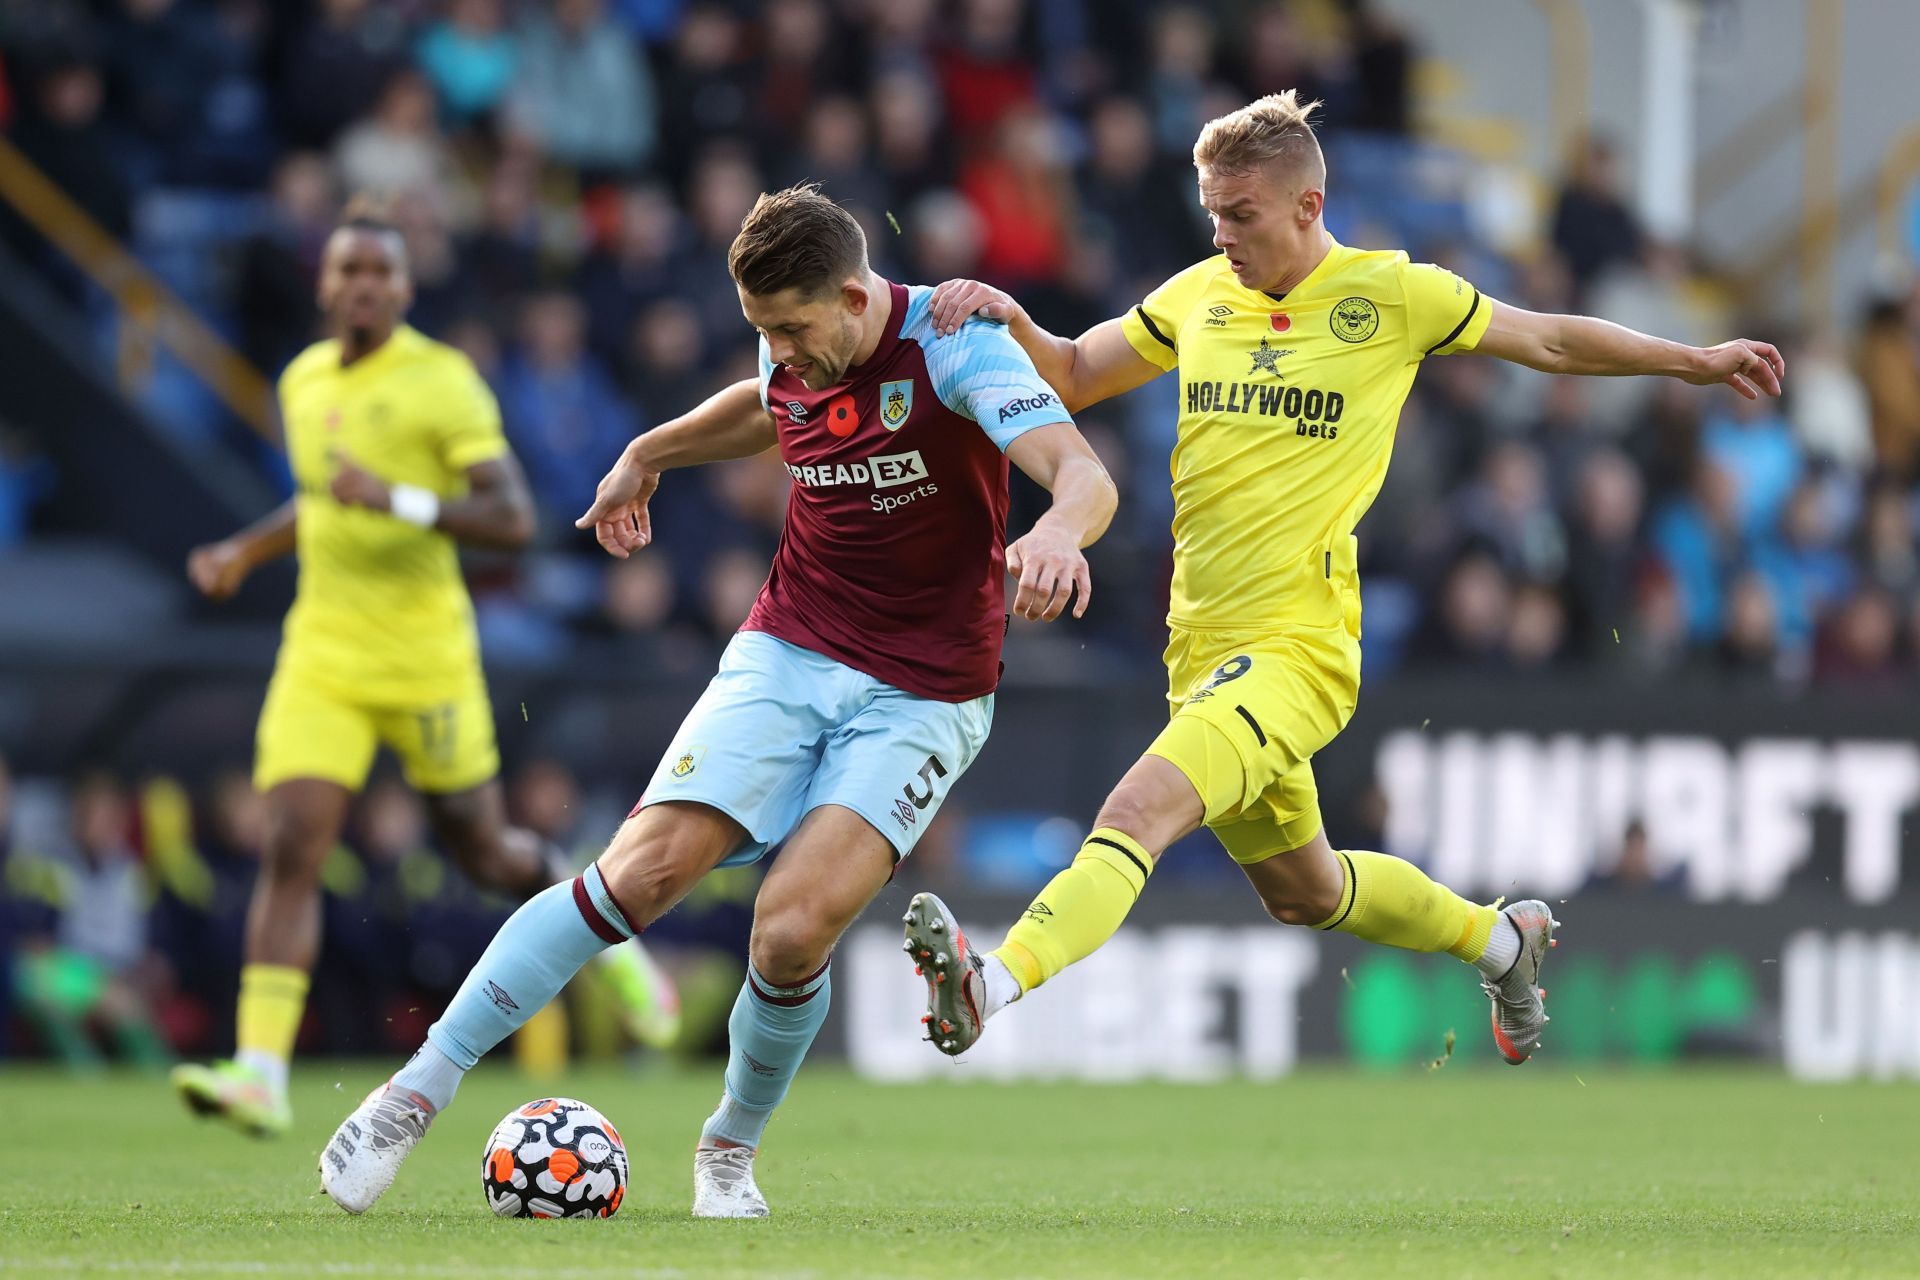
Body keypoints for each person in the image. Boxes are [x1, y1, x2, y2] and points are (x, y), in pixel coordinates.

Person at [904, 91, 1784, 1067]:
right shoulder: (1199, 296)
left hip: (1298, 647)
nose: (1220, 233)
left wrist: (1693, 360)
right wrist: (1011, 317)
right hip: (1199, 646)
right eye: (1211, 212)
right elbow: (1072, 372)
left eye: (1240, 215)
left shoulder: (1393, 296)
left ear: (1308, 207)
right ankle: (1502, 940)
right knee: (1305, 893)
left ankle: (991, 979)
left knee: (1134, 813)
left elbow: (1548, 339)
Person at [317, 184, 1116, 1219]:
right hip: (791, 646)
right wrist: (647, 452)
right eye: (759, 331)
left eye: (790, 327)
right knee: (640, 871)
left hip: (925, 688)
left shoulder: (956, 344)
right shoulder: (789, 347)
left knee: (788, 933)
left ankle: (728, 1151)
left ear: (850, 291)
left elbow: (1082, 470)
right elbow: (762, 412)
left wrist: (1057, 531)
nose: (777, 350)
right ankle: (413, 1091)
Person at [171, 202, 675, 1139]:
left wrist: (398, 496)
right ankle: (260, 1072)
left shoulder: (443, 382)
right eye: (348, 271)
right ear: (327, 284)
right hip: (323, 649)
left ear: (404, 289)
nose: (362, 286)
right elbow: (321, 502)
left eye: (380, 274)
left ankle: (601, 923)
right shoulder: (301, 379)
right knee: (293, 843)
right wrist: (245, 550)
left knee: (485, 855)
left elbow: (513, 518)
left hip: (425, 653)